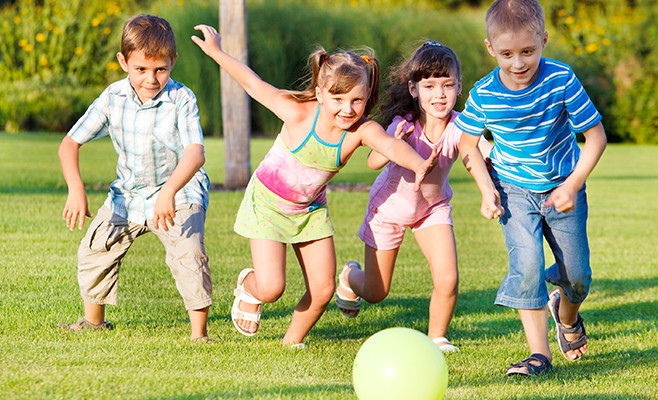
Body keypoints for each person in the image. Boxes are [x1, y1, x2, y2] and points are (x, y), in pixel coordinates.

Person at [191, 24, 438, 348]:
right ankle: (250, 287)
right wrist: (217, 52)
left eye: (357, 100)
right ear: (321, 93)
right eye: (338, 98)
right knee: (272, 287)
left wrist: (419, 164)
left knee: (322, 290)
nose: (347, 109)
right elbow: (253, 84)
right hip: (267, 205)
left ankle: (290, 342)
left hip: (309, 211)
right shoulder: (297, 113)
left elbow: (390, 146)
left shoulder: (360, 131)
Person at [455, 0, 607, 376]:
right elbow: (467, 144)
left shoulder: (561, 78)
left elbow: (596, 136)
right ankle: (539, 354)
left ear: (544, 40)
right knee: (526, 267)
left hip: (562, 188)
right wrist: (487, 190)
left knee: (577, 276)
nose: (518, 63)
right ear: (490, 48)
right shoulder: (485, 93)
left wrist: (573, 185)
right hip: (513, 190)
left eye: (528, 51)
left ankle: (566, 315)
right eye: (506, 54)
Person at [57, 15, 214, 343]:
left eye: (161, 69)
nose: (151, 79)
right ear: (123, 62)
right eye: (141, 69)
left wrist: (170, 190)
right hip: (128, 195)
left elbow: (195, 153)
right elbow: (70, 143)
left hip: (179, 190)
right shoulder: (113, 98)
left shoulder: (182, 99)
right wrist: (76, 189)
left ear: (173, 62)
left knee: (188, 253)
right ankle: (93, 322)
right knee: (95, 248)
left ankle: (199, 335)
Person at [335, 40, 492, 353]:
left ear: (459, 86)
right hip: (388, 210)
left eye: (447, 85)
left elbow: (479, 152)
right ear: (413, 89)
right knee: (376, 292)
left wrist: (495, 177)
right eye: (430, 86)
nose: (439, 94)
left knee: (448, 278)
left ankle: (437, 337)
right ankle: (350, 276)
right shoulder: (402, 125)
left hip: (431, 210)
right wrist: (391, 143)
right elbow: (372, 162)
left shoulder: (461, 126)